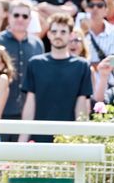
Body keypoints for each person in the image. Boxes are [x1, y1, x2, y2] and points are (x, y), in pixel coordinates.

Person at [20, 13, 92, 143]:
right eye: (54, 31)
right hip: (38, 137)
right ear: (48, 34)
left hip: (68, 139)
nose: (58, 35)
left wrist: (81, 140)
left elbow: (81, 107)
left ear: (70, 35)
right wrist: (22, 140)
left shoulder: (81, 66)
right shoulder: (35, 63)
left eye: (63, 31)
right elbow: (30, 104)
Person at [0, 0, 44, 141]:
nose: (20, 19)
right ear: (8, 16)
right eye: (16, 15)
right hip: (2, 110)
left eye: (25, 16)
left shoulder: (37, 44)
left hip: (28, 111)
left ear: (30, 19)